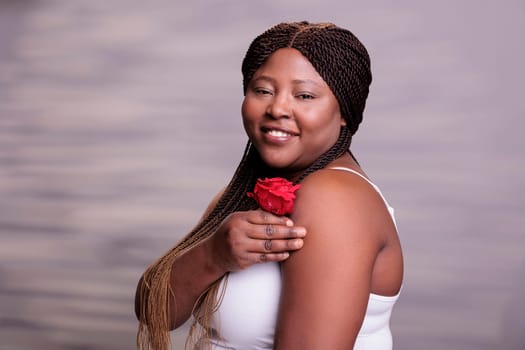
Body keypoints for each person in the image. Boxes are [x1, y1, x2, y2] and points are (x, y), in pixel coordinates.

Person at [135, 21, 403, 350]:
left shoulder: (333, 197)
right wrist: (213, 255)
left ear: (344, 111)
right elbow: (152, 312)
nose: (277, 108)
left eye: (304, 95)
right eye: (263, 90)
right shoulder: (245, 192)